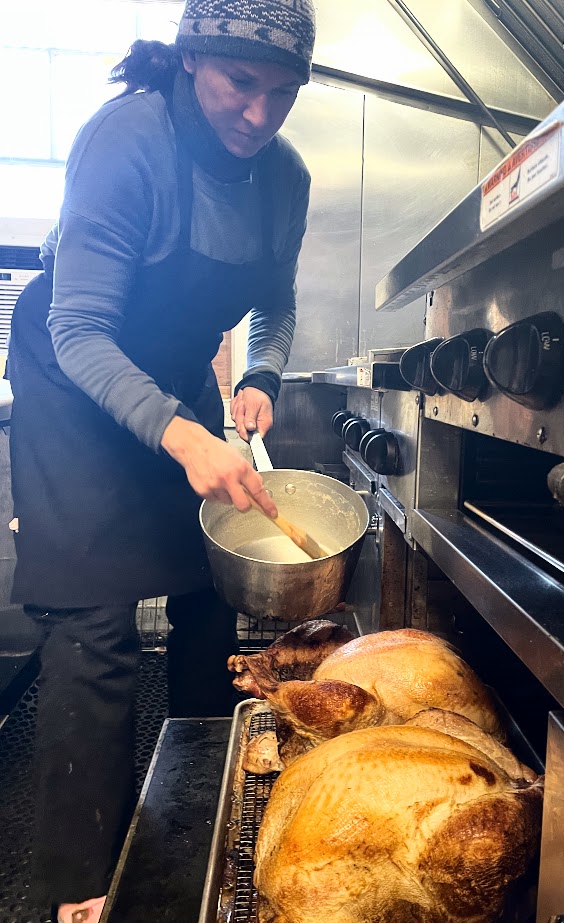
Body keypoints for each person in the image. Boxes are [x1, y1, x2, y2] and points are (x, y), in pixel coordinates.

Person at [6, 0, 315, 920]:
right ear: (190, 62)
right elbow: (77, 324)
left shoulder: (283, 178)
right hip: (73, 377)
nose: (260, 115)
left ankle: (202, 821)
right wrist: (183, 435)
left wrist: (260, 372)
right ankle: (79, 891)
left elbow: (277, 303)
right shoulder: (127, 142)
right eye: (239, 84)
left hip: (175, 376)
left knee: (208, 597)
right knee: (93, 627)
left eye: (282, 93)